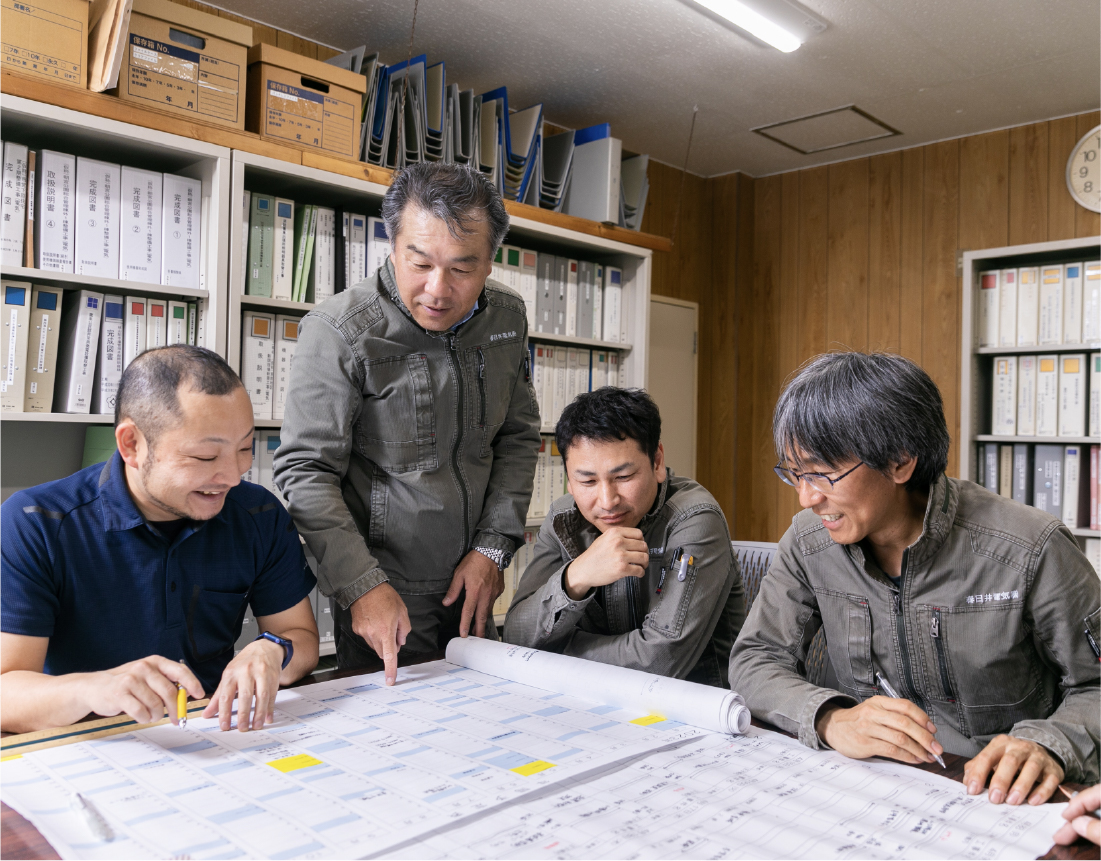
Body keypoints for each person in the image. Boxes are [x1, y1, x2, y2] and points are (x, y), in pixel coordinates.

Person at [730, 352, 1100, 805]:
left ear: (900, 462)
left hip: (999, 798)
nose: (806, 497)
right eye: (794, 473)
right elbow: (756, 658)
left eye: (822, 473)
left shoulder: (1029, 547)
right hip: (869, 791)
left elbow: (1095, 684)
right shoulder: (810, 543)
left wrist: (1050, 744)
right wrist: (830, 719)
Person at [275, 162, 540, 685]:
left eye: (462, 269)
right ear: (392, 247)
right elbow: (306, 472)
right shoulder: (339, 331)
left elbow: (517, 439)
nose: (437, 289)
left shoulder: (507, 318)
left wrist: (493, 548)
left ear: (490, 262)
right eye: (420, 263)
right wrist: (361, 587)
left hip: (476, 579)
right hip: (386, 592)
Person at [1, 346, 319, 734]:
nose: (232, 476)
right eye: (206, 457)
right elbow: (6, 692)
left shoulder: (258, 514)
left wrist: (274, 649)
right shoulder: (36, 523)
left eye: (243, 449)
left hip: (212, 732)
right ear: (132, 445)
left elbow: (302, 639)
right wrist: (95, 688)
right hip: (86, 741)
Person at [504, 387, 745, 685]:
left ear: (657, 462)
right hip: (592, 696)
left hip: (693, 703)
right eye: (587, 481)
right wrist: (576, 577)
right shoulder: (562, 518)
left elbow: (659, 659)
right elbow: (515, 635)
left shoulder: (695, 518)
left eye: (623, 477)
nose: (607, 501)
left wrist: (556, 651)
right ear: (569, 478)